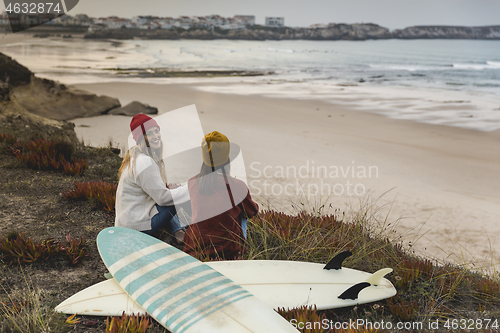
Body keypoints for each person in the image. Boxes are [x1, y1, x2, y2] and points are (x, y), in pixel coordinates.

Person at [115, 114, 190, 244]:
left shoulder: (135, 157)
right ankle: (202, 232)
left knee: (175, 194)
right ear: (141, 138)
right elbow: (163, 198)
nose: (156, 136)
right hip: (137, 228)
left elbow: (155, 191)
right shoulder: (144, 162)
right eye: (149, 134)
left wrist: (172, 189)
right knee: (177, 198)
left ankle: (178, 231)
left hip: (128, 223)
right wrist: (190, 188)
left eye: (157, 131)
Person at [183, 131, 259, 259]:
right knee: (243, 214)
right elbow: (252, 211)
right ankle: (242, 254)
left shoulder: (193, 182)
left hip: (195, 248)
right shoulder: (237, 186)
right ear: (226, 157)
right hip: (228, 251)